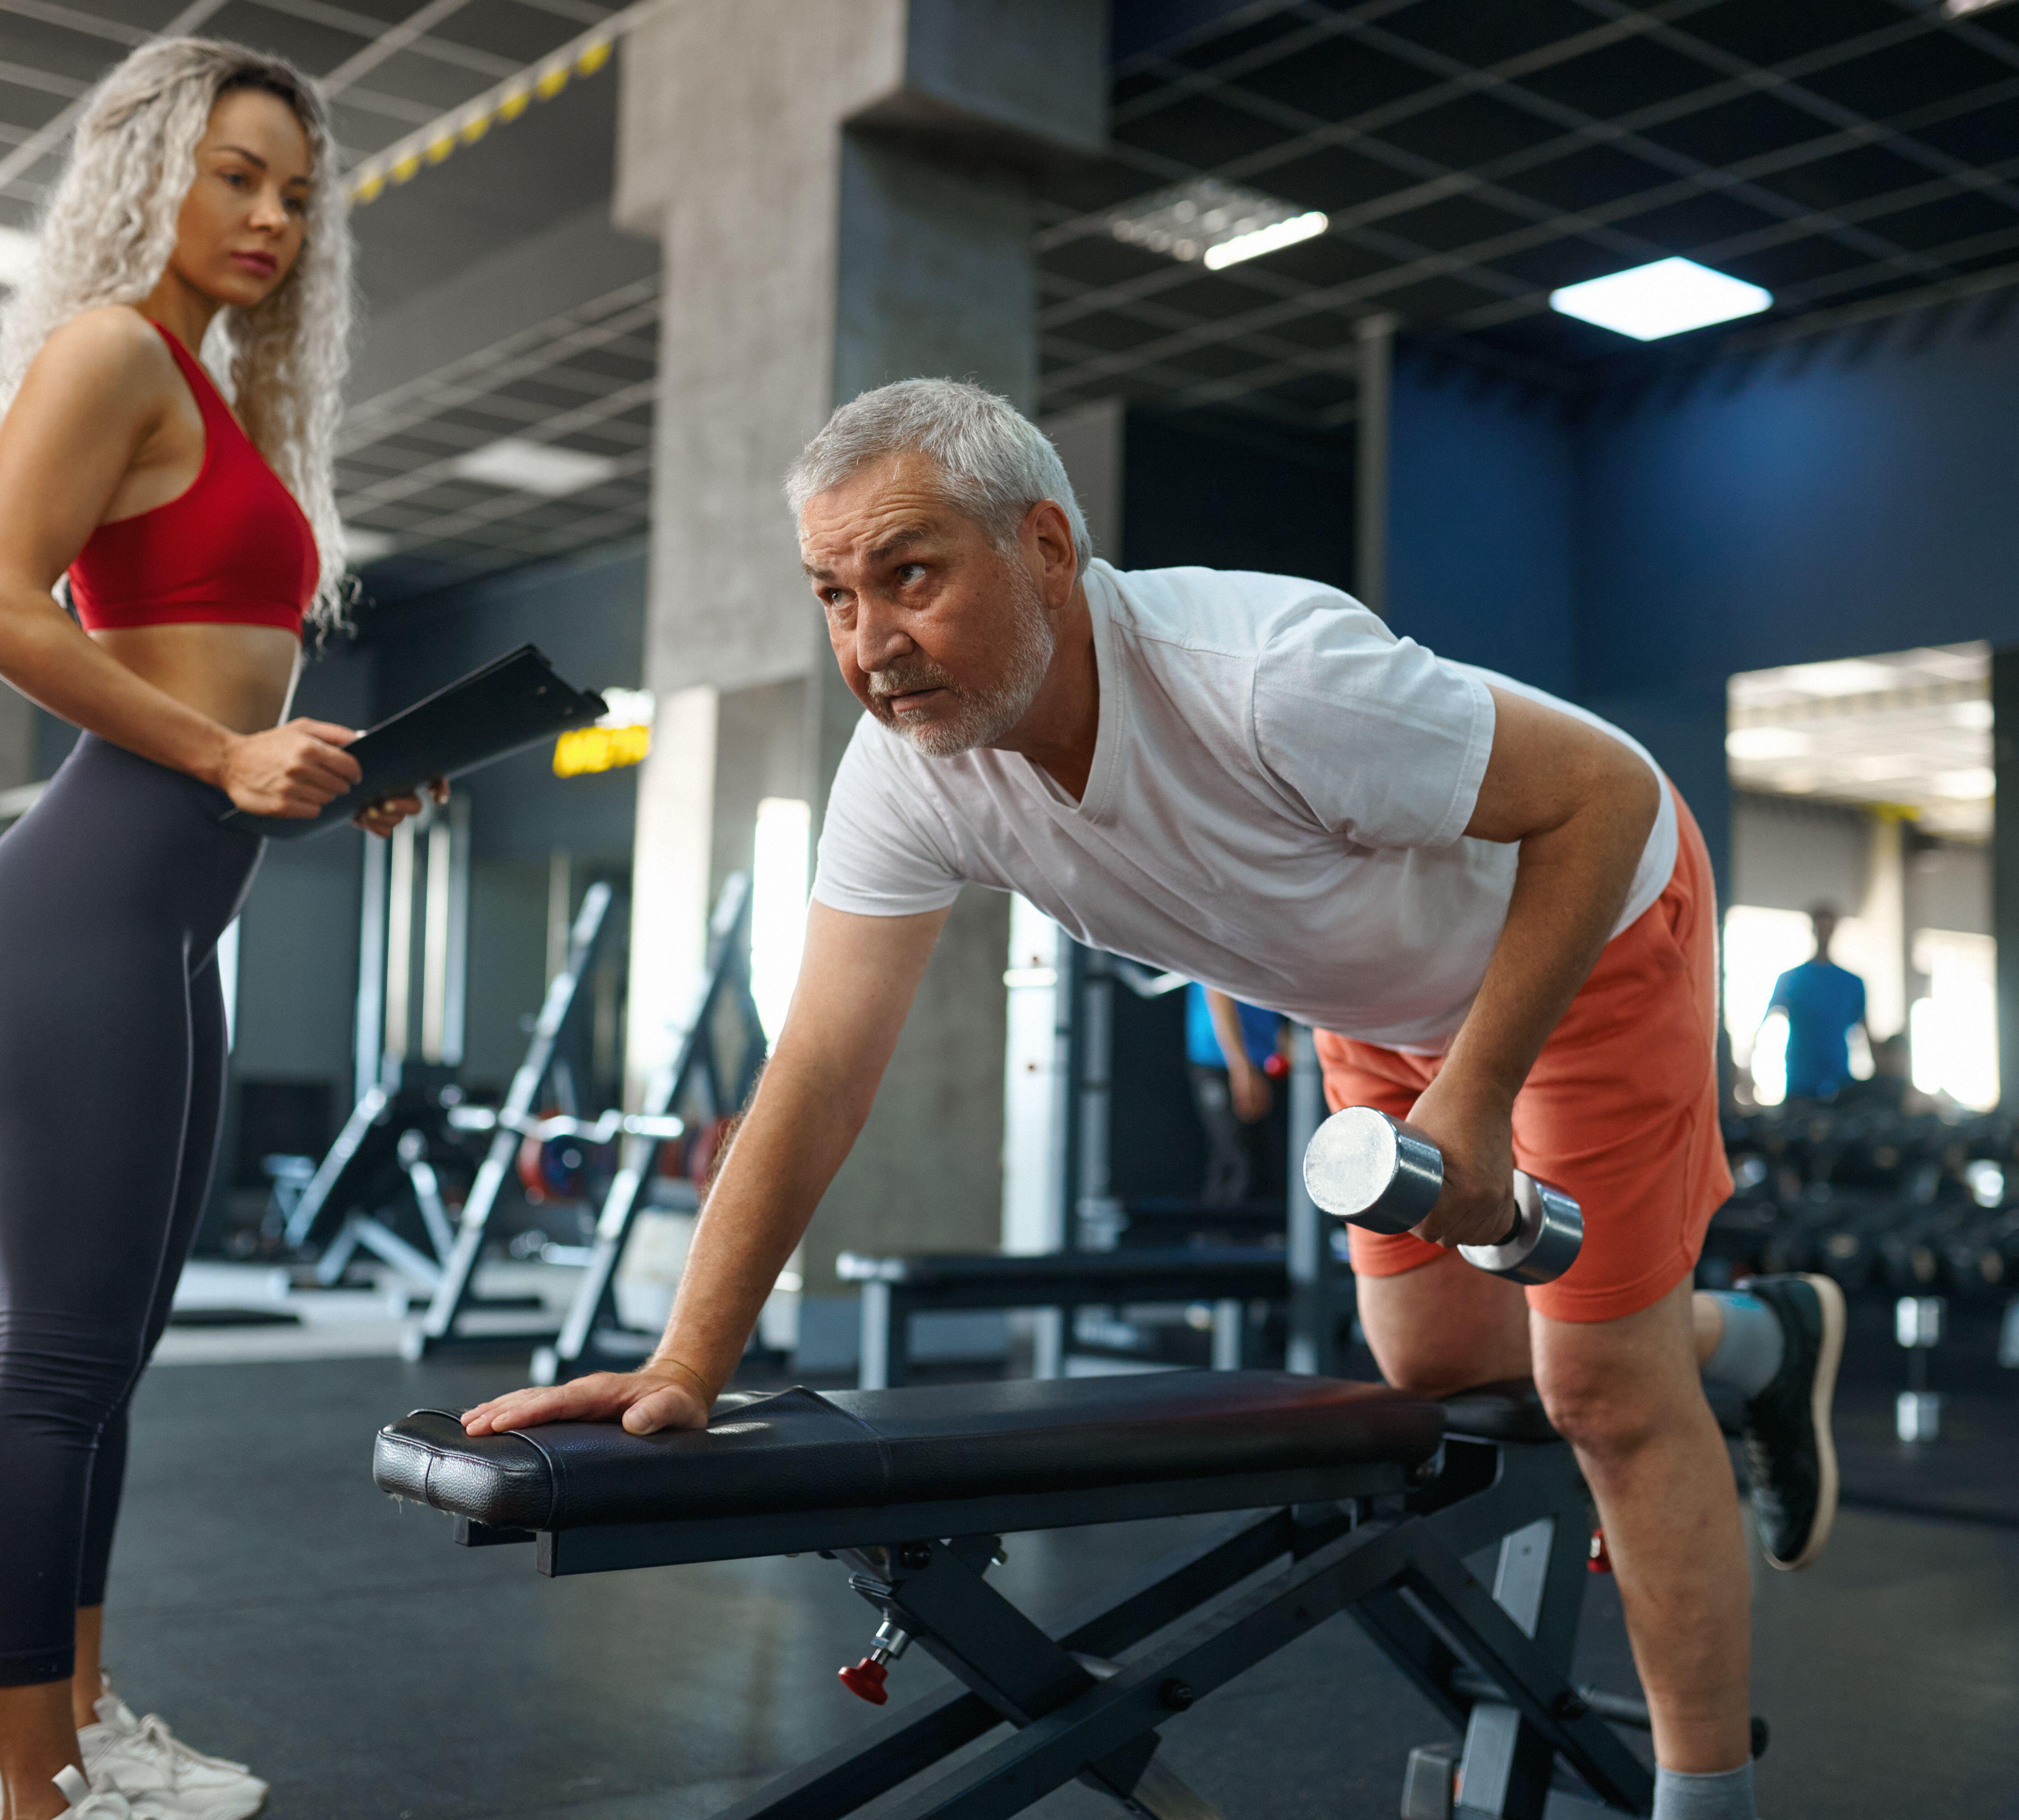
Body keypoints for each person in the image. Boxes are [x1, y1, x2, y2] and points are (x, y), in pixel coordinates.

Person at [461, 379, 1843, 1820]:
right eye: (833, 594)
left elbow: (1605, 796)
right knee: (1434, 1363)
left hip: (1588, 925)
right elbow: (816, 1066)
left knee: (1600, 1389)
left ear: (1047, 547)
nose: (870, 643)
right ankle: (1755, 1337)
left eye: (910, 573)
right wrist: (689, 1361)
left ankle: (1707, 1799)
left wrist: (1481, 1090)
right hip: (1375, 996)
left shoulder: (1266, 677)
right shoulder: (910, 774)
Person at [0, 39, 427, 1820]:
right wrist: (232, 745)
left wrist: (325, 768)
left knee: (109, 1367)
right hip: (77, 913)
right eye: (237, 173)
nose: (273, 216)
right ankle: (31, 1793)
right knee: (53, 1369)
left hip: (172, 920)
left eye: (297, 192)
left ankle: (83, 1727)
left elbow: (206, 669)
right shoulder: (106, 352)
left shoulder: (207, 396)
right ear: (152, 167)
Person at [1185, 985, 1283, 1205]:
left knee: (1261, 1159)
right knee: (1237, 1159)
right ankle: (1220, 1235)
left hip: (1261, 1060)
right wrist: (1240, 1066)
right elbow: (1218, 993)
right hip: (1219, 1061)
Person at [1764, 904, 1867, 1103]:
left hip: (1839, 1082)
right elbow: (1768, 1023)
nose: (1824, 934)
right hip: (1800, 1081)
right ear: (1813, 930)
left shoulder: (1852, 983)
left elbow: (1865, 1032)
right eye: (1820, 928)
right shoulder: (1792, 979)